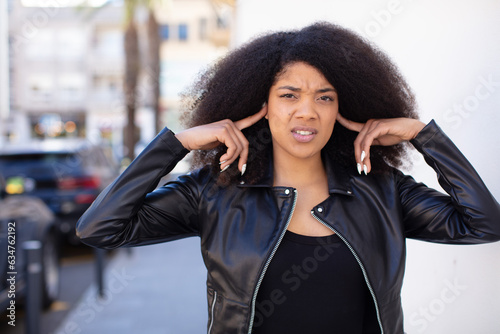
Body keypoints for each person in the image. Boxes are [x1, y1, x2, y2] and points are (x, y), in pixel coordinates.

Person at [76, 22, 500, 334]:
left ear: (342, 109)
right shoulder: (214, 192)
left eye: (324, 97)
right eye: (289, 95)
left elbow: (484, 224)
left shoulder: (382, 190)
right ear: (259, 105)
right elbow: (100, 228)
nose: (307, 112)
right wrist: (178, 143)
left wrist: (422, 135)